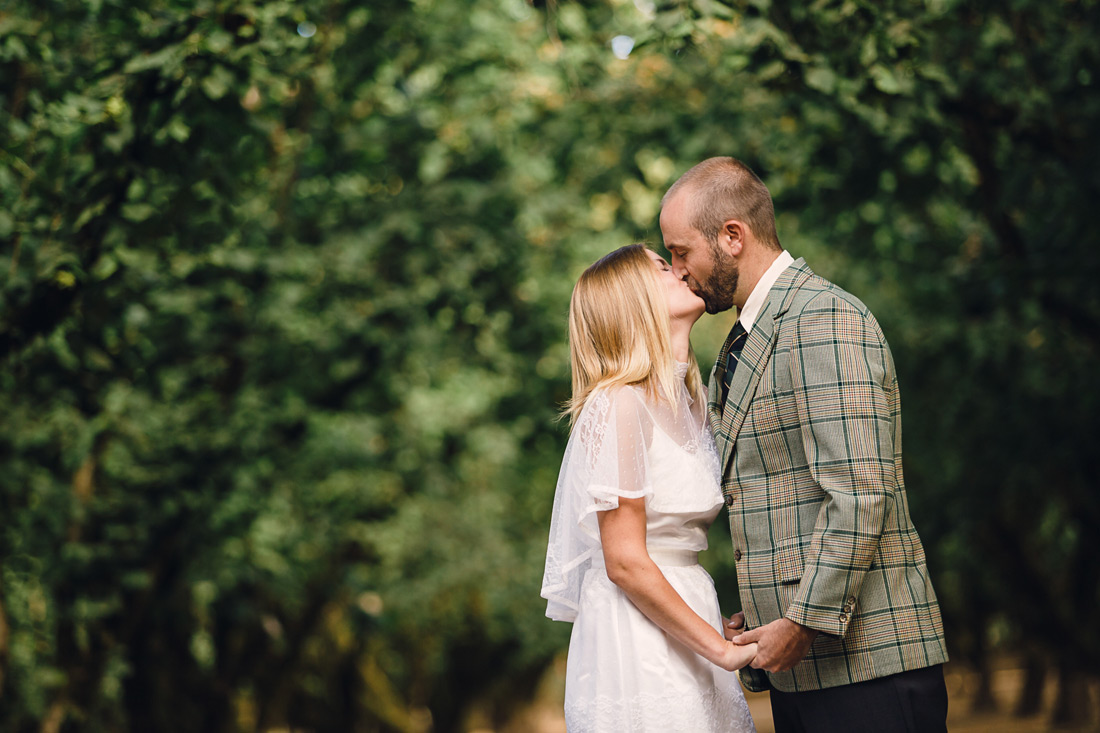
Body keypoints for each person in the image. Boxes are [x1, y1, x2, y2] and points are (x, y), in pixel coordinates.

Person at [659, 156, 950, 732]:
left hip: (869, 668)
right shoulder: (743, 343)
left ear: (732, 236)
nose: (678, 270)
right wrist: (764, 615)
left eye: (680, 251)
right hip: (801, 670)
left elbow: (859, 492)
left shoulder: (824, 318)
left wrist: (802, 621)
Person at [540, 244, 758, 732]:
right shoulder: (620, 405)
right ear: (631, 300)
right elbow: (624, 561)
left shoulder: (692, 403)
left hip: (686, 618)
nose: (680, 270)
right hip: (633, 639)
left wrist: (710, 630)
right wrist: (719, 649)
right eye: (662, 266)